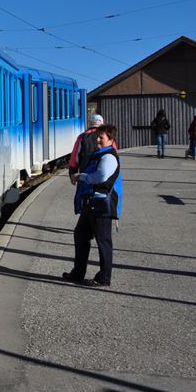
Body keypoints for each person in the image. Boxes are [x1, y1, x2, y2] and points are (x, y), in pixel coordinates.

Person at [62, 123, 122, 287]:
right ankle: (78, 272)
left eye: (101, 137)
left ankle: (104, 277)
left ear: (110, 139)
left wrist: (82, 176)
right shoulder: (101, 154)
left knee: (103, 241)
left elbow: (101, 176)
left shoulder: (108, 157)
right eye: (97, 136)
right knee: (80, 235)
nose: (97, 139)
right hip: (92, 203)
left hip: (101, 204)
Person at [68, 114, 105, 184]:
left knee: (84, 194)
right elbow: (113, 153)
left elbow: (74, 158)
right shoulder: (108, 137)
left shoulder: (82, 137)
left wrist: (72, 173)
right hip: (103, 175)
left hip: (85, 175)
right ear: (102, 123)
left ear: (89, 123)